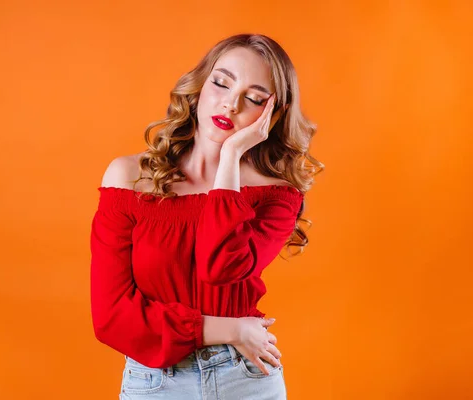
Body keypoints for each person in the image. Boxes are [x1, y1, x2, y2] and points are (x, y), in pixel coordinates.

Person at [90, 33, 323, 399]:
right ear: (199, 87)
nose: (230, 104)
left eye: (253, 98)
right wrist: (231, 330)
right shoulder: (129, 180)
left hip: (246, 380)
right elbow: (111, 317)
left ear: (271, 115)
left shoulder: (278, 196)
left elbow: (220, 267)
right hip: (154, 383)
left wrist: (230, 157)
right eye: (221, 83)